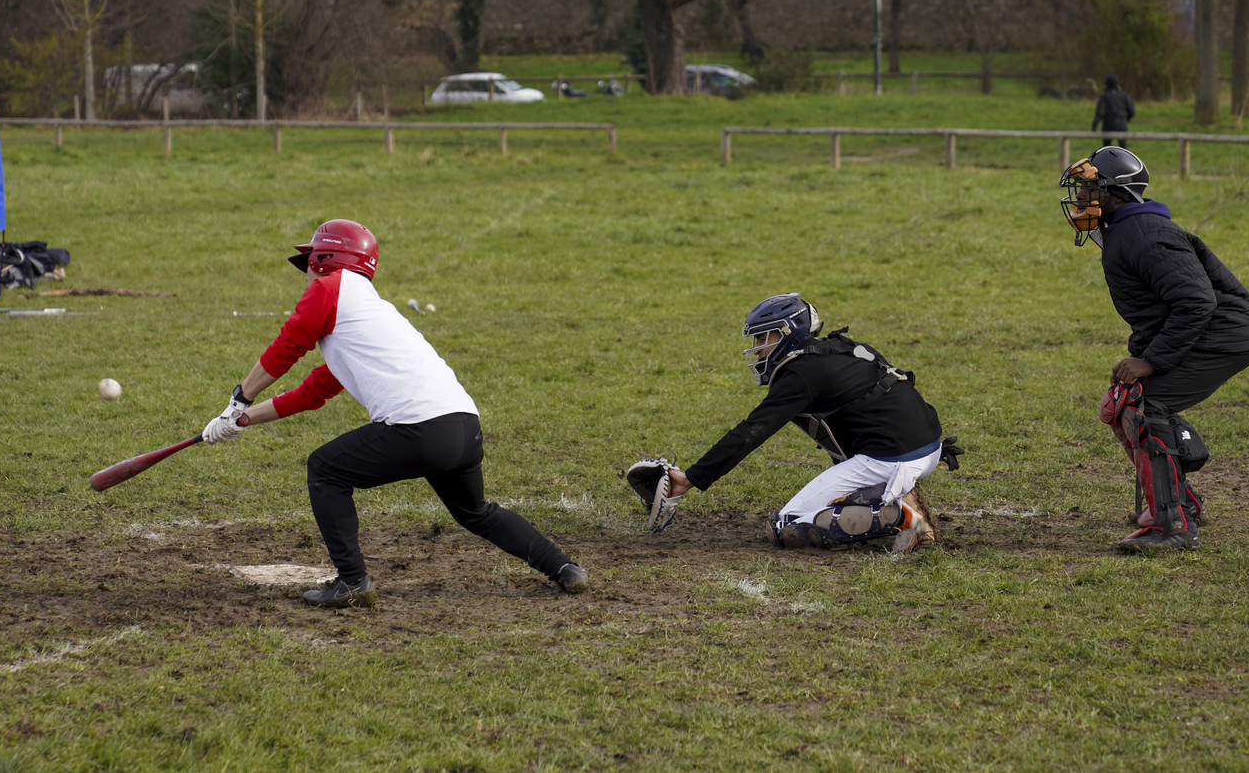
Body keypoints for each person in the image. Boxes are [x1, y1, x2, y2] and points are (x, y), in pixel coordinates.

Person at [202, 219, 588, 607]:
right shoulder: (365, 314)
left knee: (325, 470)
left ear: (325, 259)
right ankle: (563, 567)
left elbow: (287, 346)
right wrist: (243, 420)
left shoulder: (329, 290)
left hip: (419, 429)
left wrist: (241, 398)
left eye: (310, 264)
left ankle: (352, 581)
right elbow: (314, 391)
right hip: (463, 427)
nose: (307, 275)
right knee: (477, 513)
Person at [1059, 148, 1249, 552]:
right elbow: (1158, 310)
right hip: (1206, 330)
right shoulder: (1126, 230)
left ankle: (1173, 525)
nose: (1080, 199)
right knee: (1128, 399)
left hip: (1223, 333)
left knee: (1144, 405)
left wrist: (1151, 361)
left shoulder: (1146, 234)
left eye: (1089, 189)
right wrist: (1138, 358)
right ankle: (1180, 503)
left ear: (1115, 193)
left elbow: (1196, 302)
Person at [660, 294, 959, 552]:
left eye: (765, 337)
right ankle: (896, 491)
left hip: (894, 457)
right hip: (927, 446)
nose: (759, 348)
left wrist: (691, 478)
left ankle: (900, 514)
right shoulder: (839, 347)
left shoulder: (800, 374)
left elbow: (751, 433)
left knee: (783, 526)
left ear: (788, 333)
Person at [1092, 75, 1136, 147]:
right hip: (1122, 126)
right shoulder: (1123, 96)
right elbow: (1131, 111)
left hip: (1108, 126)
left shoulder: (1104, 96)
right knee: (1123, 149)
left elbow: (1100, 113)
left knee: (1106, 149)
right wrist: (1126, 120)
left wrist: (1094, 126)